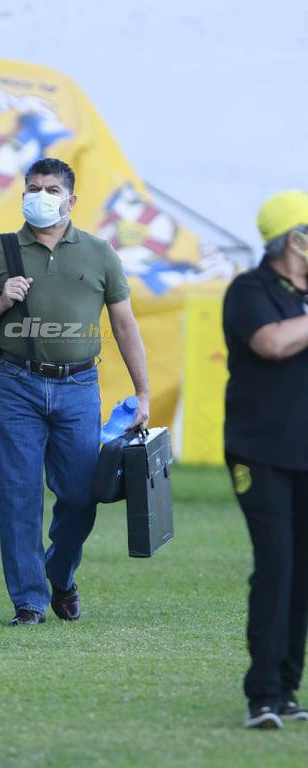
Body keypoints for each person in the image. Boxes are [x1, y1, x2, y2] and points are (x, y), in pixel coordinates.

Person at [0, 157, 149, 626]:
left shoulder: (100, 252)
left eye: (52, 190)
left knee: (82, 495)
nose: (40, 195)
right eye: (33, 187)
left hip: (79, 386)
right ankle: (29, 601)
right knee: (19, 494)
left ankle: (59, 574)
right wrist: (1, 300)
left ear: (71, 199)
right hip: (17, 384)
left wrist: (143, 393)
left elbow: (123, 324)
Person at [223, 189, 308, 729]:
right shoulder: (249, 289)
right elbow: (271, 344)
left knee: (301, 572)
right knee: (276, 563)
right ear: (294, 239)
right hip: (260, 453)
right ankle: (262, 694)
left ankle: (287, 687)